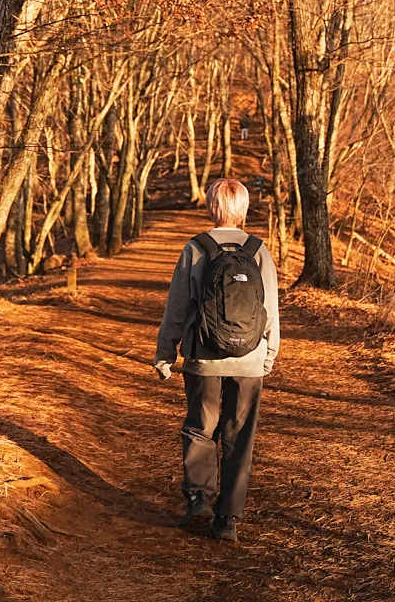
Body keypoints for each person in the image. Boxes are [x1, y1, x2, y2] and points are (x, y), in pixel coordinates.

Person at [154, 177, 280, 542]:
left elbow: (177, 308)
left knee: (200, 428)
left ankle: (199, 498)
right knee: (239, 437)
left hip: (203, 358)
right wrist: (268, 355)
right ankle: (227, 519)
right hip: (249, 359)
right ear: (243, 209)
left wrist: (165, 353)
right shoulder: (259, 250)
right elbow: (270, 309)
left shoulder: (196, 248)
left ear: (212, 206)